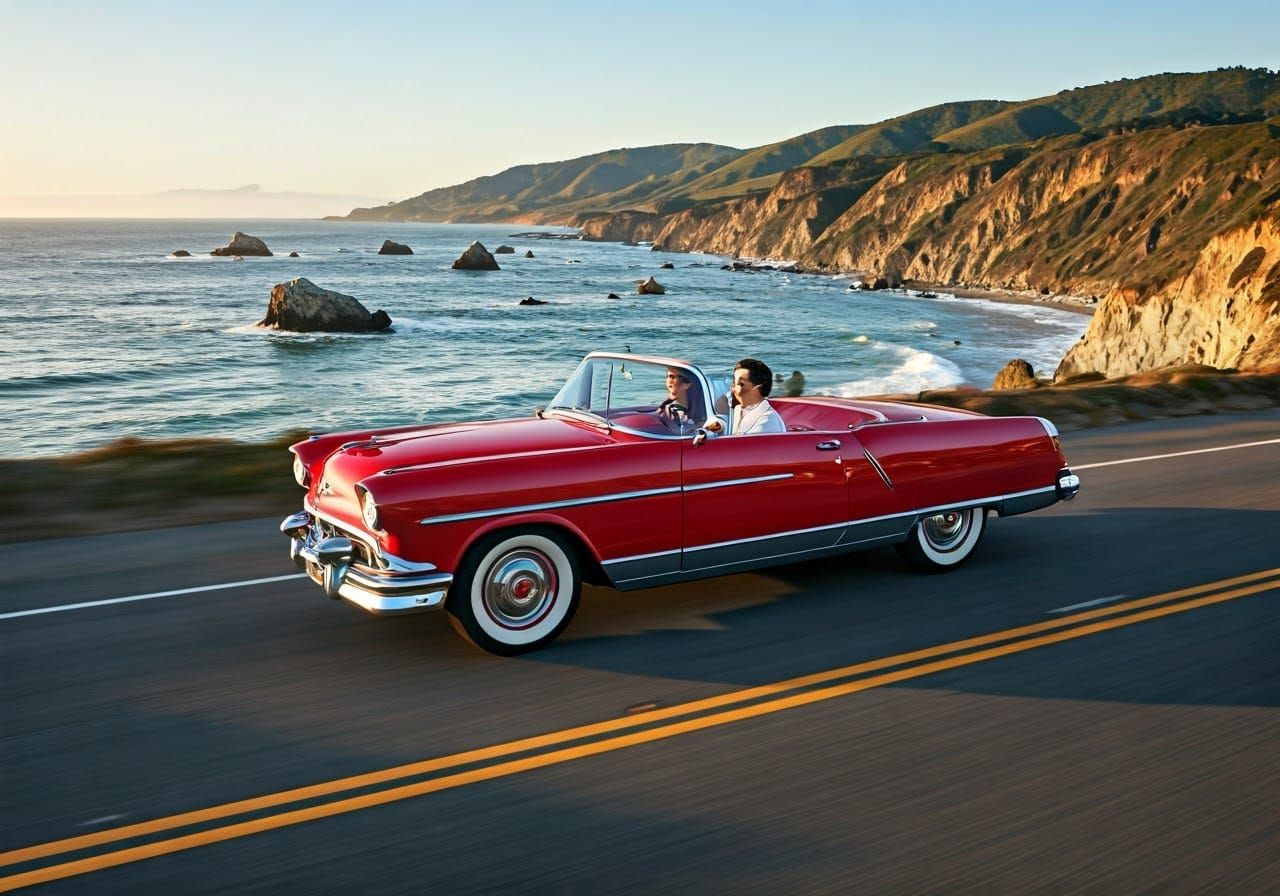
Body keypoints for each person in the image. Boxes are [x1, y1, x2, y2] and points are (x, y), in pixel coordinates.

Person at [705, 357, 786, 435]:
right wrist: (717, 425)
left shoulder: (768, 422)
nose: (733, 388)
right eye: (734, 383)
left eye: (740, 384)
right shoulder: (739, 409)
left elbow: (741, 442)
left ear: (757, 389)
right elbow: (726, 421)